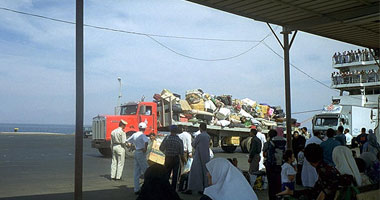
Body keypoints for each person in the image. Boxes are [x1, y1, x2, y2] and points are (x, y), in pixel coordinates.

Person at [277, 143, 354, 200]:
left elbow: (316, 192)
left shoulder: (323, 171)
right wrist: (291, 192)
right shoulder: (327, 168)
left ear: (307, 159)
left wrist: (292, 193)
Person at [183, 123, 210, 194]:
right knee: (205, 172)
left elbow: (193, 144)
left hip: (198, 156)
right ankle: (204, 188)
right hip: (206, 156)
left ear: (200, 128)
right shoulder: (207, 136)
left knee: (195, 172)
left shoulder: (199, 136)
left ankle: (192, 188)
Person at [159, 125, 186, 190]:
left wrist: (166, 152)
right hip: (175, 159)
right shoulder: (179, 140)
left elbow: (161, 148)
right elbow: (181, 153)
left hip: (168, 158)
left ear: (170, 131)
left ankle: (165, 188)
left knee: (166, 174)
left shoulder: (167, 138)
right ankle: (173, 190)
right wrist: (184, 161)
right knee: (175, 176)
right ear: (176, 131)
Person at [126, 122, 149, 194]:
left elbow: (127, 141)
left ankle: (136, 189)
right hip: (141, 153)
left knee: (136, 171)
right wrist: (145, 148)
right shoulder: (142, 135)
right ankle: (147, 187)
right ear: (144, 129)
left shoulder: (134, 134)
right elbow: (146, 142)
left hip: (136, 152)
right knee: (146, 170)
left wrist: (130, 145)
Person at [263, 129, 286, 200]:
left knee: (271, 183)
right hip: (279, 165)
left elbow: (265, 154)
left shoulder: (268, 143)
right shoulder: (282, 142)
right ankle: (279, 196)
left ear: (269, 135)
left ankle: (272, 197)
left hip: (271, 166)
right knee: (278, 182)